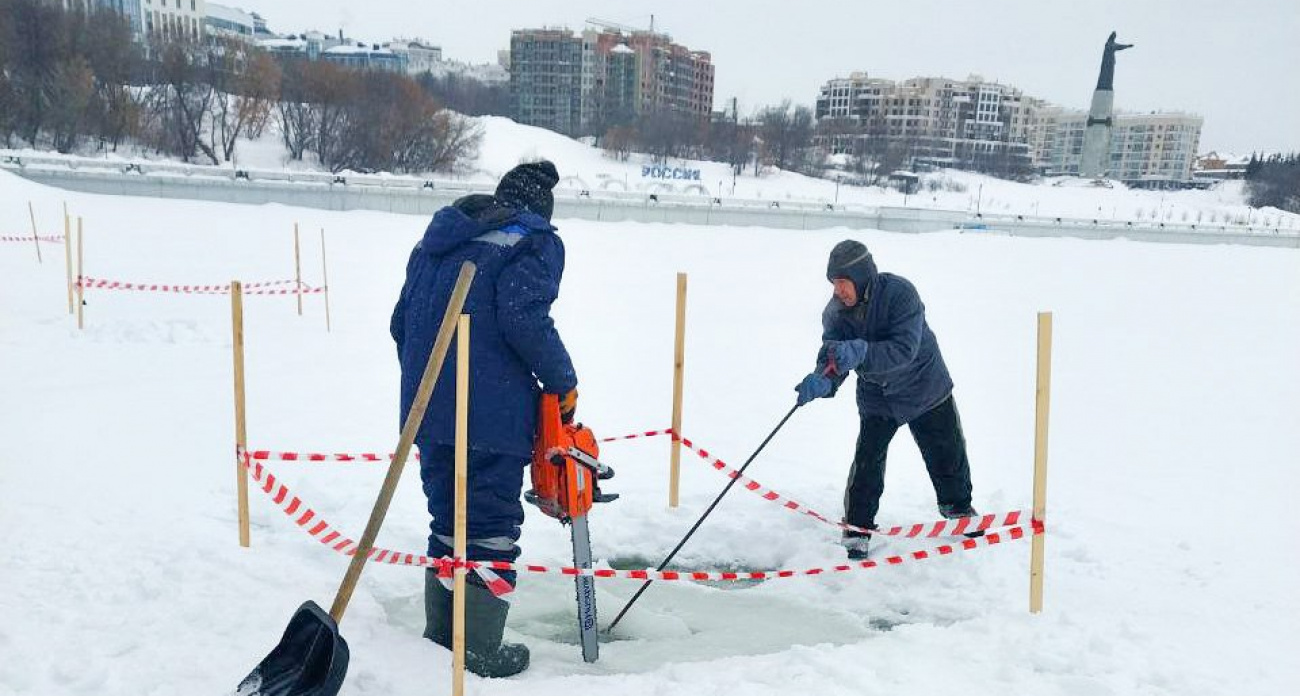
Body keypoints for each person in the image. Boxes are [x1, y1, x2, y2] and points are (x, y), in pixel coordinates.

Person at [391, 160, 577, 678]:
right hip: (490, 415)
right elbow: (524, 318)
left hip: (425, 411)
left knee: (448, 521)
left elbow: (400, 323)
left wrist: (437, 385)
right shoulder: (531, 240)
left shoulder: (439, 239)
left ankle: (440, 637)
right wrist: (563, 382)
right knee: (490, 527)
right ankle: (476, 650)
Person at [794, 239, 977, 560]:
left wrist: (862, 350)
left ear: (861, 276)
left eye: (842, 282)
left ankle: (958, 508)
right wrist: (824, 378)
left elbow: (904, 349)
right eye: (833, 283)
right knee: (868, 459)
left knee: (945, 451)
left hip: (924, 384)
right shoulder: (835, 313)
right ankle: (857, 529)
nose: (838, 291)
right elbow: (834, 356)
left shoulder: (901, 294)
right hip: (878, 394)